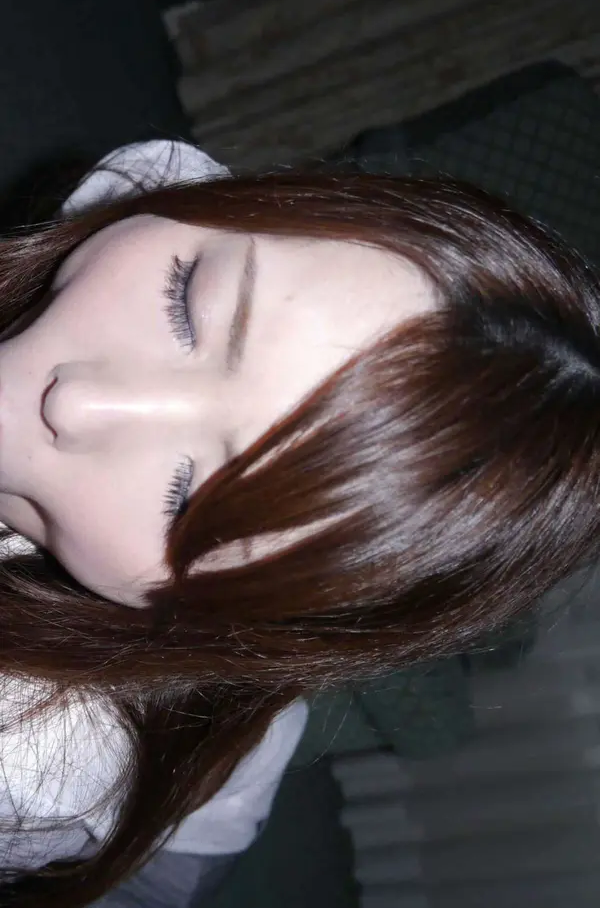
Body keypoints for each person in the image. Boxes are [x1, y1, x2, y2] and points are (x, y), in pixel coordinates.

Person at [0, 137, 599, 907]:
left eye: (187, 502)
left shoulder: (32, 758)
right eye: (186, 303)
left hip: (184, 841)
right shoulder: (158, 190)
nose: (82, 402)